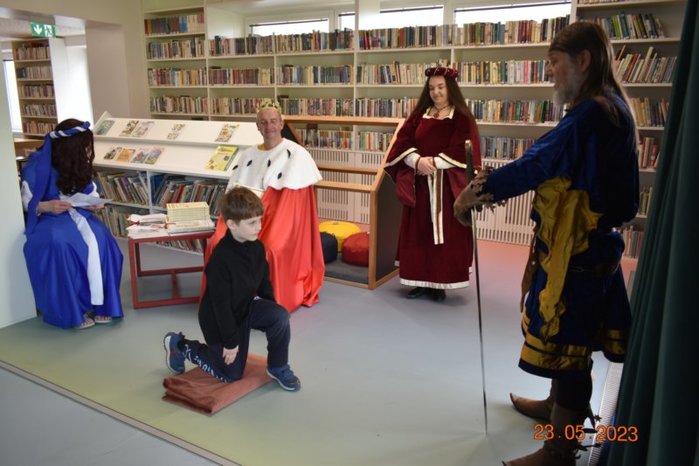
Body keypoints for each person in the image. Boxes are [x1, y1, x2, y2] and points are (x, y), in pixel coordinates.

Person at [454, 22, 638, 466]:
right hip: (584, 248)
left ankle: (560, 451)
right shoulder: (605, 107)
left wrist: (473, 194)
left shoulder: (593, 114)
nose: (550, 71)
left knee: (570, 350)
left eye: (554, 62)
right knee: (566, 341)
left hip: (579, 253)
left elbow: (537, 163)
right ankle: (558, 408)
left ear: (583, 61)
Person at [164, 187, 300, 391]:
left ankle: (278, 366)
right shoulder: (220, 259)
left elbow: (264, 283)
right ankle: (180, 345)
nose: (259, 227)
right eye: (252, 223)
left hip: (245, 308)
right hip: (219, 321)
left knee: (280, 315)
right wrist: (230, 342)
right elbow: (221, 307)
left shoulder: (257, 247)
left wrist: (271, 313)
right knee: (231, 374)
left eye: (260, 220)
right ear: (232, 224)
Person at [203, 99, 324, 313]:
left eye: (273, 121)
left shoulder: (296, 155)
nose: (269, 127)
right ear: (257, 125)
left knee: (271, 249)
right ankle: (224, 298)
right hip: (243, 214)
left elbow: (293, 206)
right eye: (263, 122)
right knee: (216, 242)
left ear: (281, 123)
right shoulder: (248, 154)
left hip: (277, 217)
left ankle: (265, 303)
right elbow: (235, 193)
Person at [384, 66, 481, 302]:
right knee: (419, 233)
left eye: (441, 87)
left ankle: (440, 283)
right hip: (420, 186)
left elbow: (463, 148)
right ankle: (419, 281)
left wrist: (434, 163)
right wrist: (417, 161)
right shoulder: (419, 116)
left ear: (450, 88)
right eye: (431, 88)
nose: (436, 92)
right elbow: (402, 142)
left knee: (445, 234)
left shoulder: (462, 118)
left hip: (447, 189)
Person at [21, 119, 124, 329]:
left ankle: (102, 304)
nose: (87, 151)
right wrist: (47, 206)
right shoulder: (37, 163)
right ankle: (72, 310)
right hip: (48, 218)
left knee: (102, 239)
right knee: (61, 244)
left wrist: (93, 203)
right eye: (83, 146)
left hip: (78, 213)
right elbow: (27, 201)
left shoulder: (77, 160)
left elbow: (89, 190)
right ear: (69, 147)